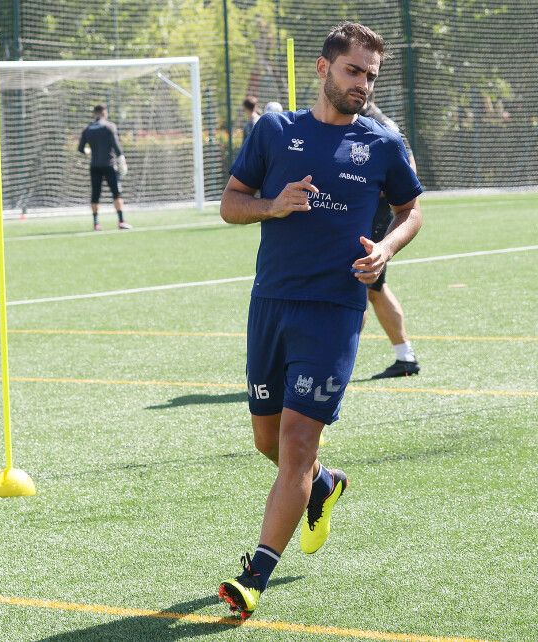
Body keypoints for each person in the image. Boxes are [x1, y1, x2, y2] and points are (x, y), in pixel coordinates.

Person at [216, 22, 423, 619]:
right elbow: (230, 203)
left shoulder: (382, 144)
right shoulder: (274, 130)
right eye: (354, 71)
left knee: (298, 441)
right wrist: (273, 205)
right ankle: (324, 485)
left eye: (371, 76)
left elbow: (412, 211)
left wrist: (385, 249)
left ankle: (254, 575)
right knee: (268, 440)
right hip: (271, 304)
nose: (363, 84)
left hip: (335, 310)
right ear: (323, 68)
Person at [359, 101, 420, 379]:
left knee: (360, 286)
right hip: (366, 214)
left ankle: (333, 359)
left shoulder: (381, 125)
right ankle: (405, 357)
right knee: (373, 289)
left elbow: (409, 171)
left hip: (376, 215)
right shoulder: (355, 119)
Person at [77, 104, 130, 230]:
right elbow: (116, 146)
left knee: (95, 194)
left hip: (94, 166)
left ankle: (96, 224)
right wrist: (122, 160)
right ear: (103, 113)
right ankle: (121, 221)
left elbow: (80, 149)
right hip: (109, 165)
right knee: (116, 193)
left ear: (94, 113)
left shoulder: (88, 129)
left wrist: (88, 151)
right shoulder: (109, 127)